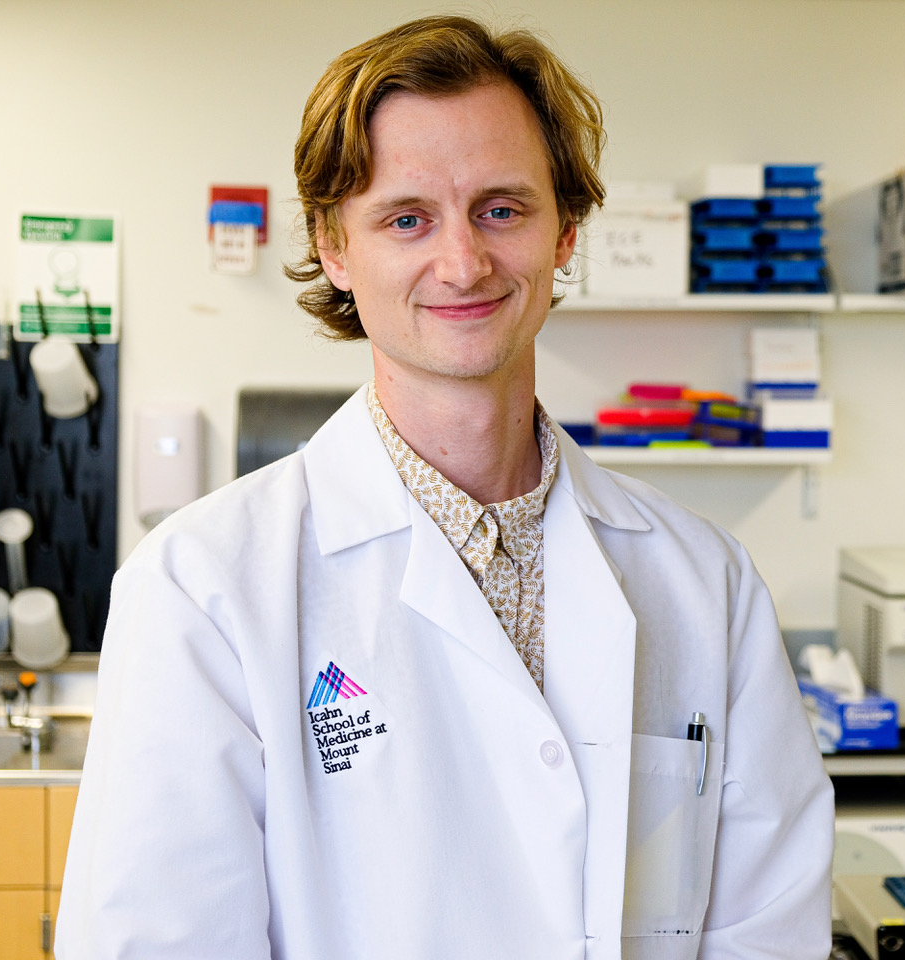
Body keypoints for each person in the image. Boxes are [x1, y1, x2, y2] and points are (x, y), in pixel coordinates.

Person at [56, 15, 834, 960]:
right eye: (407, 218)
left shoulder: (707, 584)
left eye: (502, 209)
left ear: (565, 232)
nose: (463, 263)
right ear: (335, 248)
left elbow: (768, 932)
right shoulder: (203, 589)